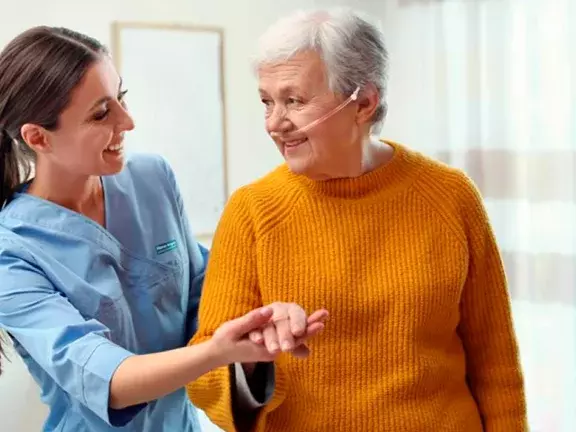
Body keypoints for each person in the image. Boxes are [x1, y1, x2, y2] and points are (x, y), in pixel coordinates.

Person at [186, 8, 528, 432]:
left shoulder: (451, 196)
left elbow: (495, 361)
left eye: (294, 100)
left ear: (364, 103)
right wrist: (252, 361)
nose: (275, 124)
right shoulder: (251, 210)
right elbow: (205, 374)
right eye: (266, 101)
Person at [0, 26, 327, 432]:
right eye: (101, 113)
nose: (128, 121)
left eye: (121, 97)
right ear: (38, 137)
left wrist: (257, 320)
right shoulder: (12, 252)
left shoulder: (151, 178)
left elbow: (202, 294)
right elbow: (108, 380)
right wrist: (216, 352)